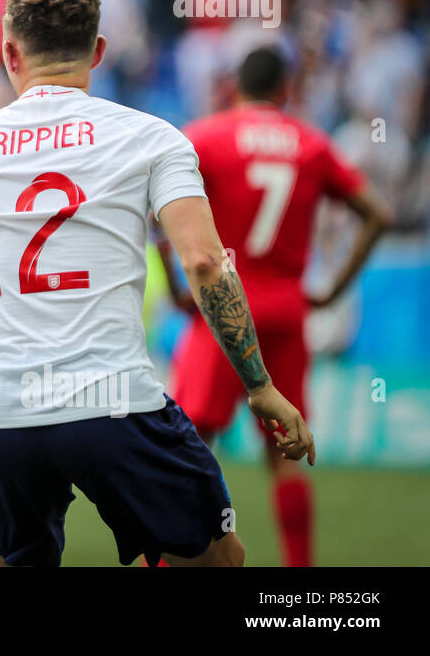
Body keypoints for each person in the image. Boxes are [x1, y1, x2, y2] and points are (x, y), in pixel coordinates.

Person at [0, 0, 315, 567]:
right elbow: (206, 262)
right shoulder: (152, 139)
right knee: (218, 560)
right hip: (113, 405)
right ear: (98, 50)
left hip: (2, 418)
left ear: (8, 52)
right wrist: (258, 385)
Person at [160, 46, 390, 567]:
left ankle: (161, 559)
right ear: (286, 90)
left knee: (188, 450)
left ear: (234, 87)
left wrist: (176, 280)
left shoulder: (205, 137)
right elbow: (377, 213)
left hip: (222, 312)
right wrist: (332, 289)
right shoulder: (311, 144)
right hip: (287, 311)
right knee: (287, 454)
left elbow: (157, 210)